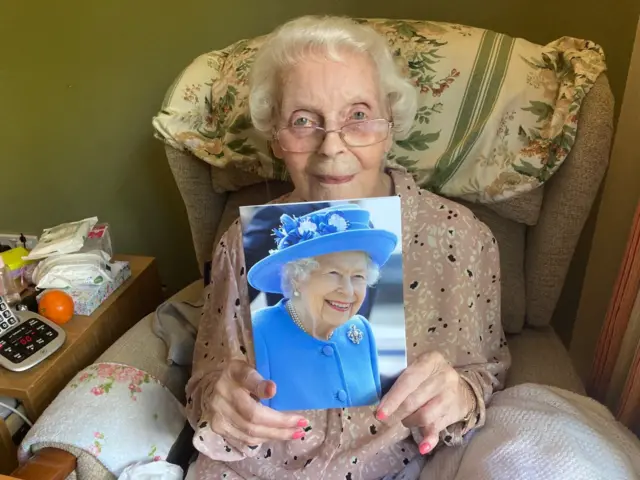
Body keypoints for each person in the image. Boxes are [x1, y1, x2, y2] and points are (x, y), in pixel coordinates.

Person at [185, 14, 511, 480]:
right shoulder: (241, 244)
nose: (331, 148)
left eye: (358, 116)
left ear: (390, 124)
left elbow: (490, 368)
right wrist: (220, 399)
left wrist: (460, 394)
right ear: (276, 138)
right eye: (303, 121)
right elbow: (204, 383)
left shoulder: (464, 237)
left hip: (403, 468)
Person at [247, 203, 397, 411]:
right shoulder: (257, 331)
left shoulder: (361, 330)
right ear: (298, 277)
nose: (348, 290)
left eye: (359, 276)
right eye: (333, 273)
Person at [242, 202, 380, 318]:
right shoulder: (278, 215)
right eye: (333, 273)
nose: (348, 290)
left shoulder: (365, 225)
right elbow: (232, 297)